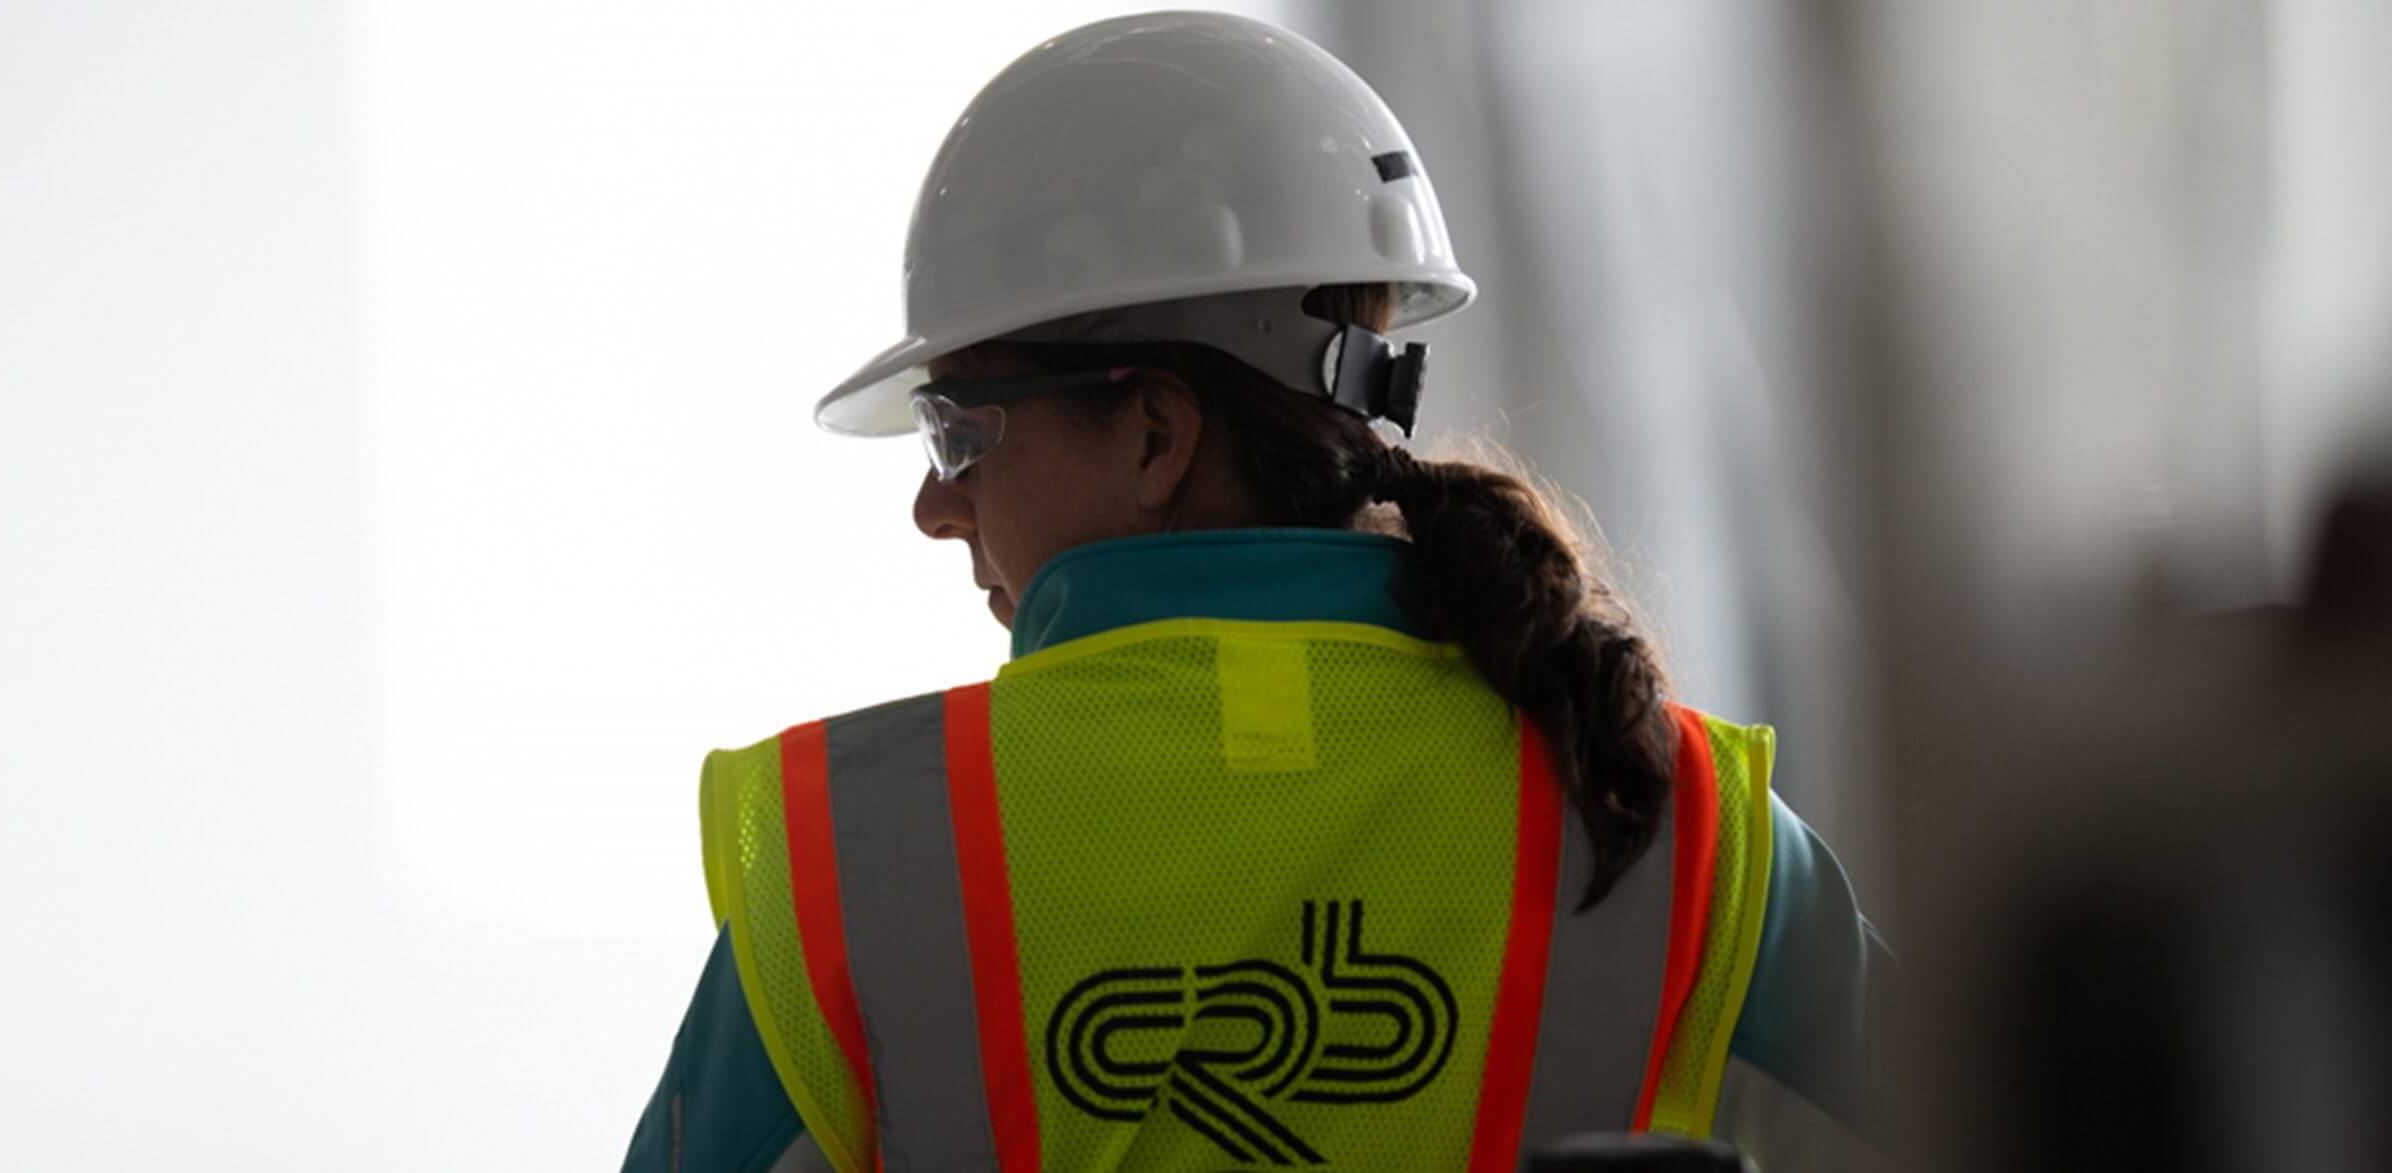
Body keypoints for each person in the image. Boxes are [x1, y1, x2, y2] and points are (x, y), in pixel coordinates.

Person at [622, 12, 1888, 1172]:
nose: (933, 506)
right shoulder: (1678, 827)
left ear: (1157, 438)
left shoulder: (850, 866)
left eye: (957, 433)